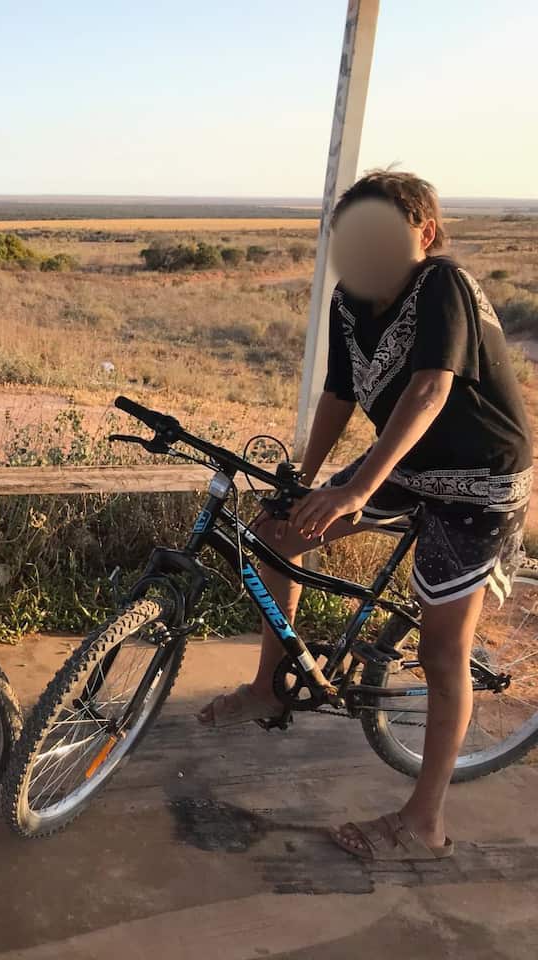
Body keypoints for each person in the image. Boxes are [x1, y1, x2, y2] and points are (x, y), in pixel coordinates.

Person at [196, 171, 532, 861]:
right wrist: (308, 476)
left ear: (424, 234)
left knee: (442, 652)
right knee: (278, 530)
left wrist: (354, 491)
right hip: (407, 465)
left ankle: (423, 824)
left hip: (480, 478)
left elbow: (431, 388)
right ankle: (269, 690)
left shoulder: (444, 286)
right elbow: (339, 392)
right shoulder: (349, 299)